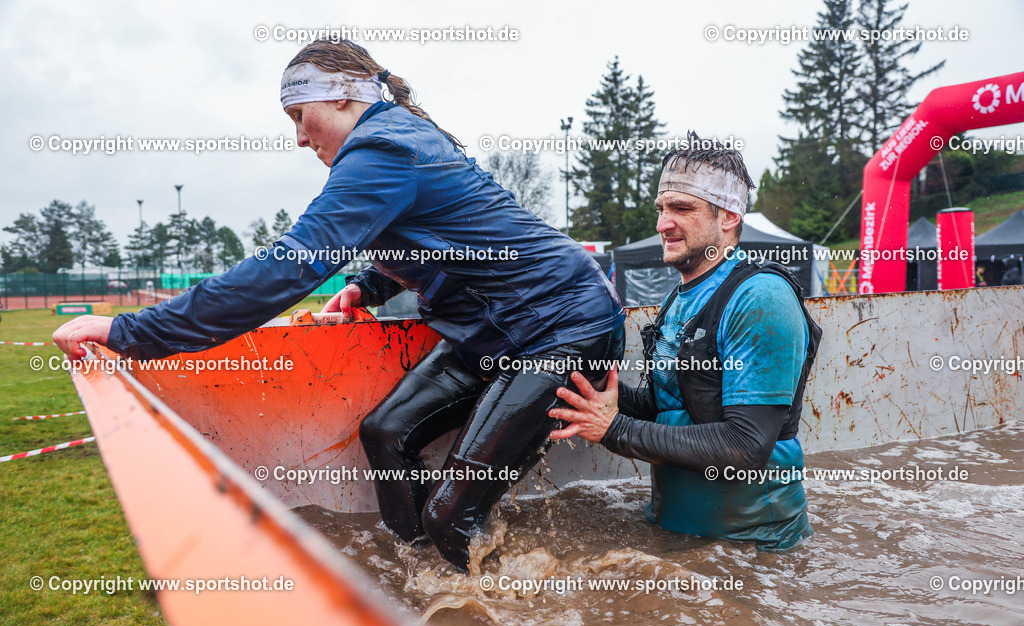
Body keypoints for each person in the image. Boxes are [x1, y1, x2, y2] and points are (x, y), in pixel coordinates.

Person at [52, 40, 625, 571]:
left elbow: (283, 270)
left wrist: (131, 333)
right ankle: (424, 576)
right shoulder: (396, 138)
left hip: (562, 326)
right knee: (385, 431)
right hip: (493, 329)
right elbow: (439, 237)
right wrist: (368, 287)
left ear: (342, 95)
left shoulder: (383, 146)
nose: (299, 138)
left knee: (452, 515)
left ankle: (507, 624)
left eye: (299, 116)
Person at [548, 134, 821, 551]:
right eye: (660, 209)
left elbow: (745, 446)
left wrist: (614, 429)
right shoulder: (679, 298)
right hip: (674, 537)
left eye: (681, 208)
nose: (661, 224)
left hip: (752, 552)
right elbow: (670, 406)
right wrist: (597, 397)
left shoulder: (760, 297)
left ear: (728, 216)